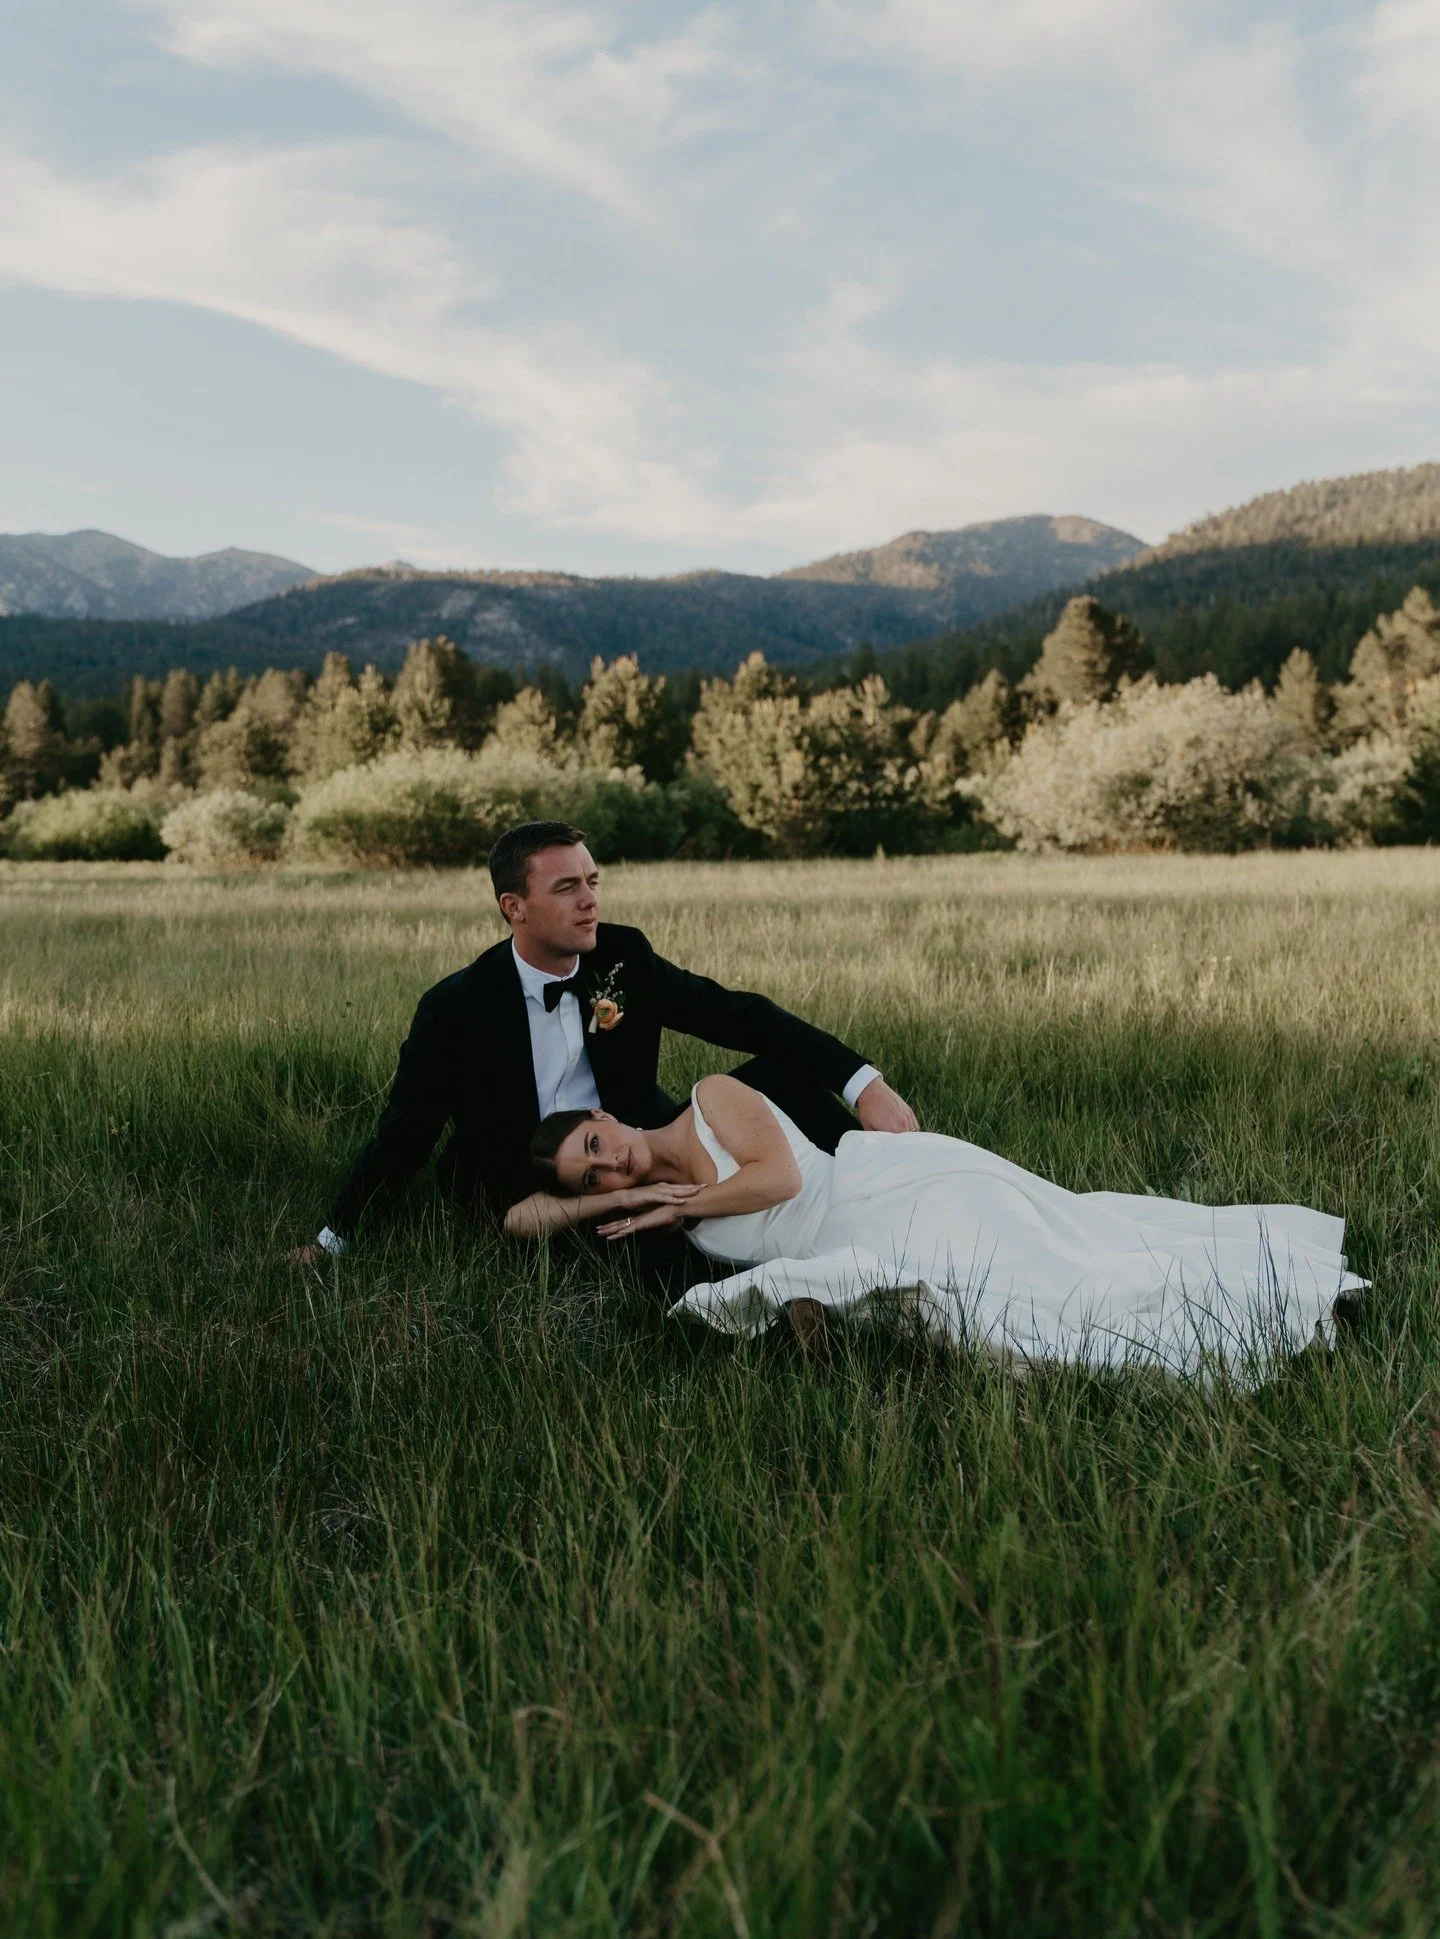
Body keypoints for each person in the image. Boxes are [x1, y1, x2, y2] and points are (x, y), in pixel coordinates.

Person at [294, 820, 917, 1282]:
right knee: (642, 1247)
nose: (590, 899)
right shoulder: (456, 1008)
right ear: (514, 907)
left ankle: (887, 1185)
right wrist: (334, 1240)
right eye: (567, 888)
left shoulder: (621, 957)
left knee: (778, 1077)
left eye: (592, 881)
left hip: (630, 1137)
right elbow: (406, 1131)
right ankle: (770, 1299)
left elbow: (737, 1015)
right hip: (526, 1175)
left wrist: (864, 1083)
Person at [508, 1073, 1368, 1384]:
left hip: (903, 1192)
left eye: (597, 1144)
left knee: (1067, 1271)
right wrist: (601, 1203)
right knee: (1025, 1327)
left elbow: (782, 1178)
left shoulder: (709, 1100)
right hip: (867, 1247)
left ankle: (1282, 1290)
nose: (611, 1163)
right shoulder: (631, 1195)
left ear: (604, 1112)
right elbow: (523, 1221)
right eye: (595, 1173)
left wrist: (676, 1205)